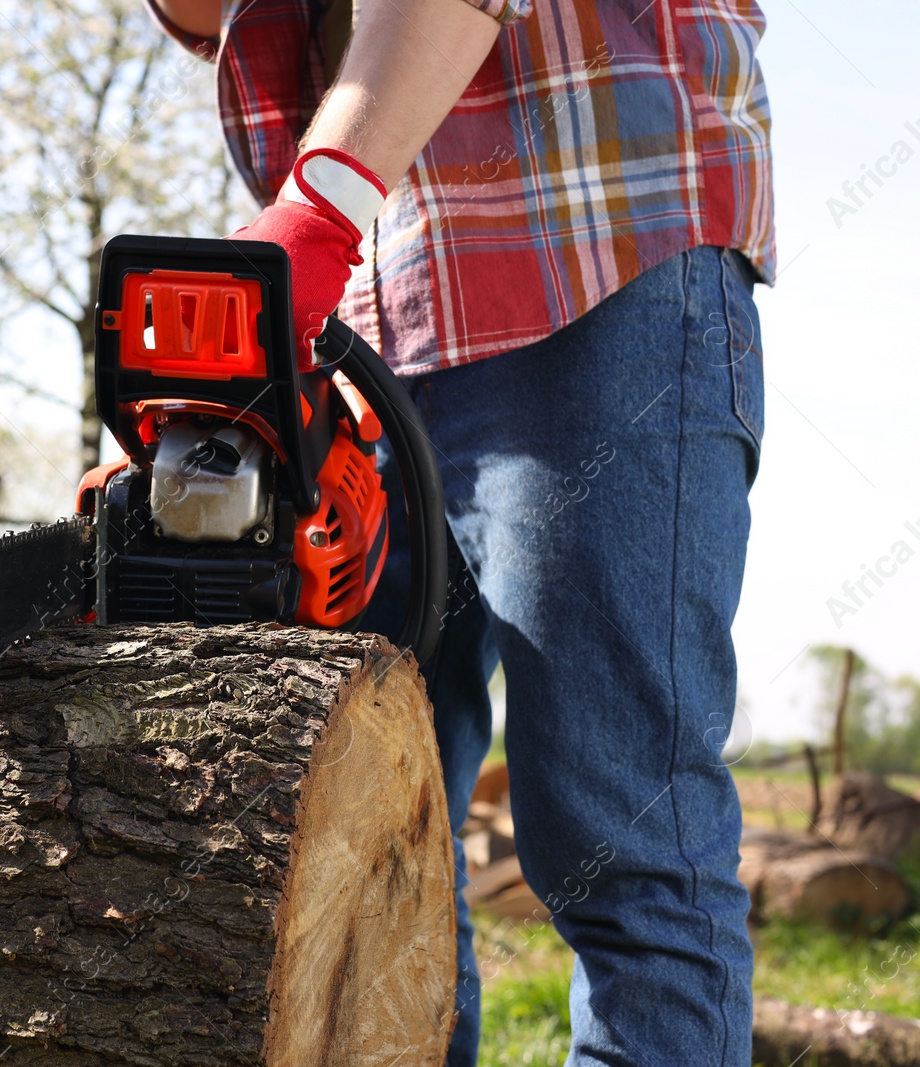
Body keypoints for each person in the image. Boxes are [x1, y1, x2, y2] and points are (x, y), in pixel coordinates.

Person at [147, 0, 773, 1063]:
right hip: (374, 305)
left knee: (622, 838)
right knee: (378, 834)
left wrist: (316, 210)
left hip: (592, 240)